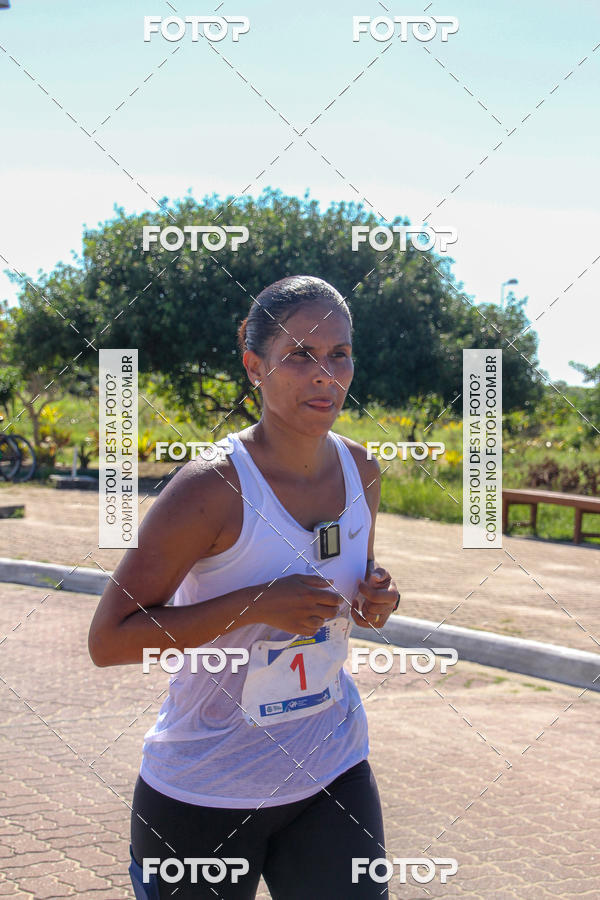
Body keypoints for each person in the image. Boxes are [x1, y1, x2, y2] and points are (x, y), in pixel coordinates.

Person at [88, 274, 400, 899]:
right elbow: (110, 641)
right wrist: (253, 607)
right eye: (301, 356)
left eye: (339, 354)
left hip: (331, 766)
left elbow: (351, 606)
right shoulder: (210, 489)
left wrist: (374, 603)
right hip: (205, 786)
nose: (325, 374)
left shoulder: (361, 470)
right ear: (255, 367)